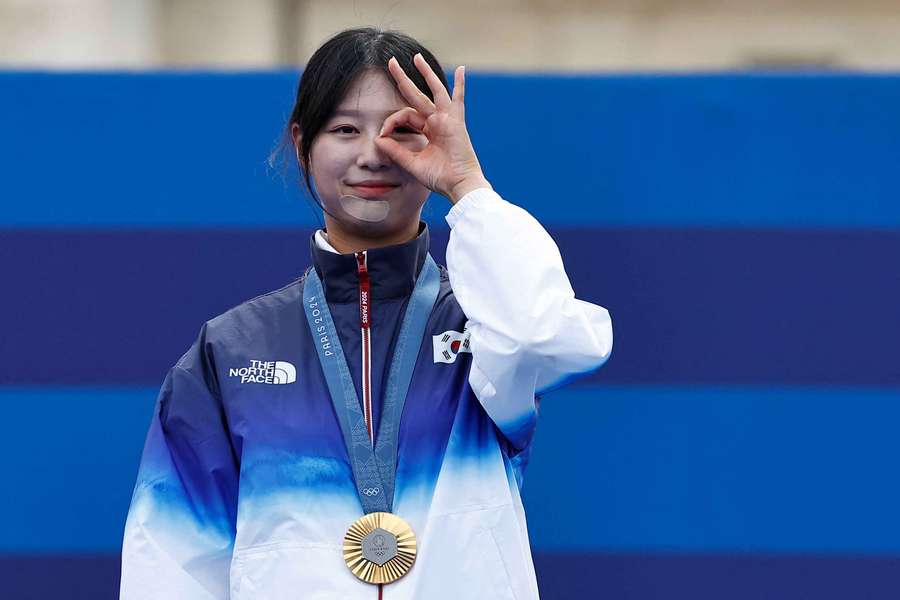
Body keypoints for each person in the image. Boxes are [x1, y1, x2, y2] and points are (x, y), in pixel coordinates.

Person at [119, 27, 613, 600]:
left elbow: (546, 334)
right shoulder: (231, 350)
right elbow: (170, 561)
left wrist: (467, 185)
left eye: (400, 131)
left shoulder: (483, 329)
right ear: (303, 143)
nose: (372, 153)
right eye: (345, 129)